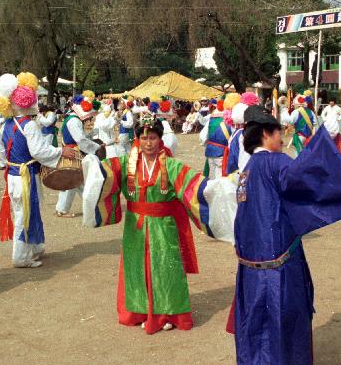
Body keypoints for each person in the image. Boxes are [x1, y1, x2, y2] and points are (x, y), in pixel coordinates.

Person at [231, 107, 341, 365]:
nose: (283, 138)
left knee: (254, 318)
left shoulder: (249, 167)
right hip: (275, 260)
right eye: (280, 132)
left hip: (252, 260)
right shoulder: (274, 162)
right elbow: (304, 181)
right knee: (274, 316)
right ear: (267, 133)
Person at [81, 116, 236, 334]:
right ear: (137, 139)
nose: (148, 143)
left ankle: (169, 313)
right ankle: (141, 311)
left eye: (152, 138)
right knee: (137, 269)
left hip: (164, 227)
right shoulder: (126, 163)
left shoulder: (171, 166)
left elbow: (194, 185)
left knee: (166, 269)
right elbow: (106, 174)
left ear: (159, 139)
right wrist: (93, 166)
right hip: (135, 227)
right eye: (144, 138)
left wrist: (222, 186)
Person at [0, 73, 77, 268]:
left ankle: (36, 247)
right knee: (25, 214)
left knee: (25, 212)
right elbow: (39, 151)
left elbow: (1, 152)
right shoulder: (29, 125)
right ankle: (20, 257)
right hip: (26, 177)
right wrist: (61, 151)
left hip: (14, 175)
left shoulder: (5, 125)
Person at [56, 92, 101, 217]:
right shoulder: (74, 121)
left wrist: (90, 137)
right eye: (88, 117)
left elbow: (80, 138)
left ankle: (90, 205)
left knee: (74, 181)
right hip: (73, 152)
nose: (89, 120)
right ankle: (92, 205)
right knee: (75, 180)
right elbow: (80, 140)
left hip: (72, 151)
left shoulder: (71, 118)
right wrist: (96, 147)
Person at [224, 92, 260, 175]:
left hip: (237, 171)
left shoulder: (237, 132)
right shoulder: (245, 133)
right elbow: (244, 161)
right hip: (245, 172)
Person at [199, 98, 231, 179]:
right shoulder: (230, 120)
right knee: (220, 177)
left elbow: (203, 137)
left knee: (213, 176)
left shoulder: (211, 118)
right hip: (222, 152)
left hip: (210, 151)